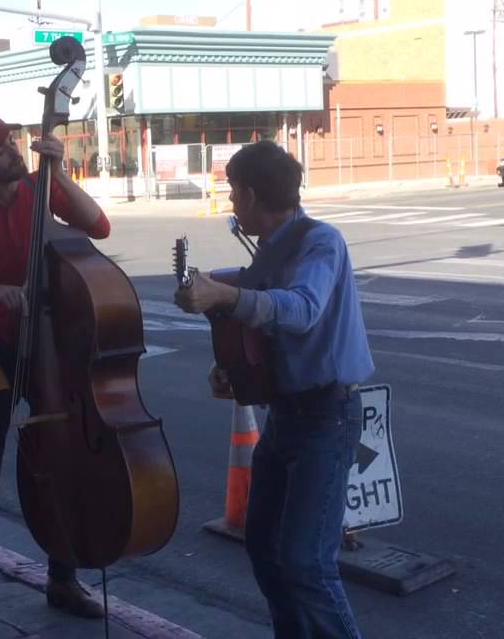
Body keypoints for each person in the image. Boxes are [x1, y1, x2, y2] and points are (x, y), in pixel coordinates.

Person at [173, 140, 374, 639]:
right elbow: (259, 330)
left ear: (250, 193)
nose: (231, 203)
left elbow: (301, 309)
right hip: (286, 417)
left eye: (233, 193)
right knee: (263, 546)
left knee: (307, 563)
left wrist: (225, 294)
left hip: (327, 416)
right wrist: (234, 371)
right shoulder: (268, 251)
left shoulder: (320, 242)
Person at [0, 112, 111, 637]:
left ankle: (62, 578)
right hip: (0, 348)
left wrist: (59, 174)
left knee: (66, 461)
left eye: (11, 142)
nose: (12, 151)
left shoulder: (40, 187)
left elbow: (98, 226)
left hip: (55, 345)